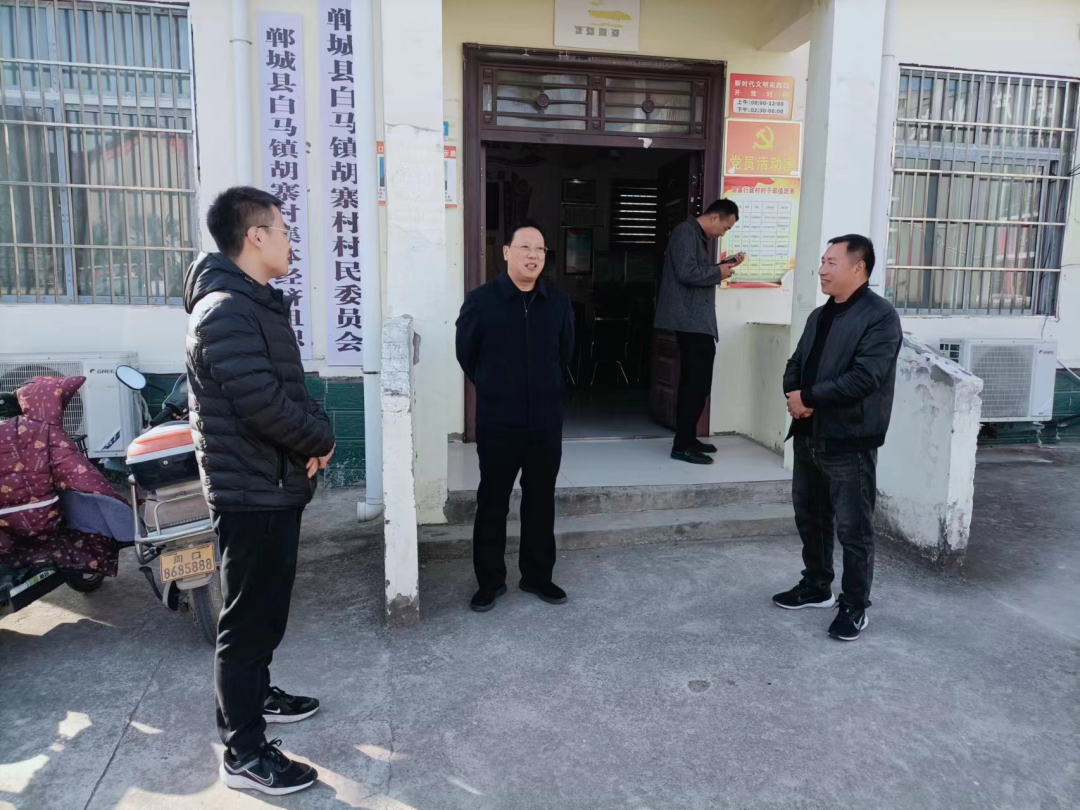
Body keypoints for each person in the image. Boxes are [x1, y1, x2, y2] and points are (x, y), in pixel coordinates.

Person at [184, 186, 336, 795]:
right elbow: (263, 404)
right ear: (255, 236)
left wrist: (317, 433)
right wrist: (319, 439)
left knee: (267, 612)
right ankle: (243, 752)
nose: (289, 242)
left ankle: (257, 695)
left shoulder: (257, 304)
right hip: (249, 490)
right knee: (246, 622)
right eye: (283, 230)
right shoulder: (224, 310)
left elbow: (290, 389)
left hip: (271, 482)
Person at [773, 234, 902, 642]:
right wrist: (795, 396)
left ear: (858, 268)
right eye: (823, 261)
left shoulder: (880, 317)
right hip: (808, 434)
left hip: (849, 439)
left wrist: (809, 398)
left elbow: (866, 377)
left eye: (831, 262)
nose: (822, 270)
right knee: (810, 517)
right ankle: (816, 586)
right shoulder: (819, 315)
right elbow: (796, 362)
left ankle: (854, 605)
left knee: (854, 529)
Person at [455, 221, 575, 612]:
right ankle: (489, 582)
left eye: (540, 249)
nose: (533, 256)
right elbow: (466, 354)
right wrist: (494, 386)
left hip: (544, 421)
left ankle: (537, 576)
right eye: (525, 247)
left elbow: (566, 353)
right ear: (506, 252)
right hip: (499, 422)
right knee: (492, 501)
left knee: (541, 501)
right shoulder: (481, 301)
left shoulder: (557, 303)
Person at [654, 198, 745, 465]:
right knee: (695, 385)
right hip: (690, 322)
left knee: (697, 385)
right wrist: (718, 273)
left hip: (696, 322)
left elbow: (696, 270)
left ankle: (688, 437)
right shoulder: (685, 231)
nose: (722, 233)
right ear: (714, 217)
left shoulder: (694, 235)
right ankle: (681, 445)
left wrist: (723, 266)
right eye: (725, 228)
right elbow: (687, 272)